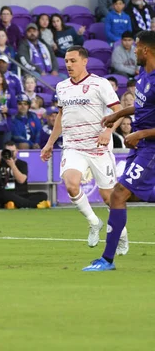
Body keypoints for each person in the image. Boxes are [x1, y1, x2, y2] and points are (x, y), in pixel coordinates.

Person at [41, 45, 127, 251]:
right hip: (73, 146)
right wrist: (50, 143)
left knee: (109, 198)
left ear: (84, 61)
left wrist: (108, 132)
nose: (68, 65)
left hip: (98, 147)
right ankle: (93, 222)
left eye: (73, 61)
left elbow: (119, 111)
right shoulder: (62, 87)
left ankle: (121, 234)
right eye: (66, 61)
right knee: (71, 184)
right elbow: (62, 116)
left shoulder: (100, 84)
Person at [83, 30, 155, 271]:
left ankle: (107, 259)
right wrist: (119, 113)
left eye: (136, 47)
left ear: (146, 50)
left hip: (150, 147)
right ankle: (107, 259)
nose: (134, 50)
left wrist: (140, 134)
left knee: (118, 194)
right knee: (127, 195)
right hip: (140, 145)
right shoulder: (143, 76)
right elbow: (143, 107)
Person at [0, 141, 50, 209]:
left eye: (12, 151)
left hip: (21, 194)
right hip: (6, 193)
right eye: (8, 151)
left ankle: (14, 205)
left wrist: (12, 165)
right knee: (5, 194)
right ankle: (35, 205)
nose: (10, 154)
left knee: (43, 195)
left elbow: (21, 180)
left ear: (17, 151)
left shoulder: (22, 164)